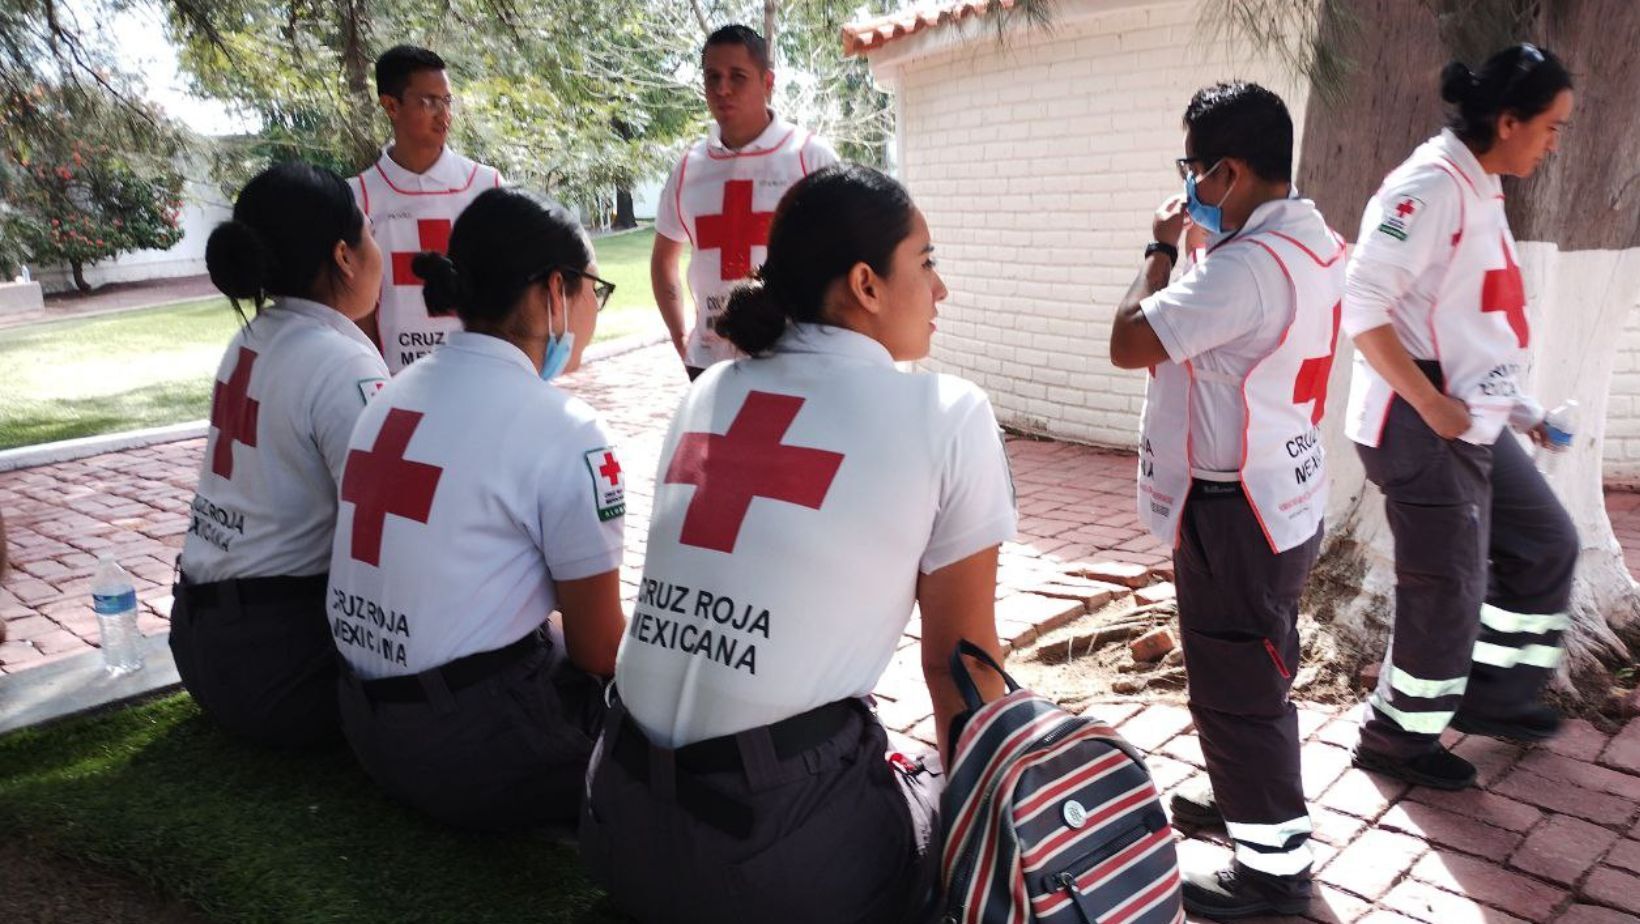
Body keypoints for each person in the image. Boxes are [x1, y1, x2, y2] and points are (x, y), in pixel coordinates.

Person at [581, 165, 1016, 923]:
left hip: (615, 816)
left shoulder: (708, 391)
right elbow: (961, 669)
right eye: (928, 262)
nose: (940, 290)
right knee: (941, 798)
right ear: (866, 284)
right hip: (776, 860)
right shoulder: (948, 414)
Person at [1106, 82, 1344, 919]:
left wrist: (1159, 245)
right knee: (1254, 668)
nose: (1192, 190)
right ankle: (1247, 804)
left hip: (1234, 509)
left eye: (1197, 173)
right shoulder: (1310, 243)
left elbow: (1127, 340)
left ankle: (1272, 871)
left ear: (1231, 172)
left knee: (1238, 686)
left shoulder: (1242, 270)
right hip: (1283, 492)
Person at [326, 187, 626, 831]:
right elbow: (600, 651)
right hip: (472, 751)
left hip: (364, 722)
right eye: (591, 290)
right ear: (554, 291)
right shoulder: (565, 428)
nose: (591, 313)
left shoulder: (391, 394)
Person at [1343, 45, 1578, 789]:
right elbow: (1362, 307)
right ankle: (1395, 737)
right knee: (1448, 588)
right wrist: (1432, 404)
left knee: (1546, 544)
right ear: (1507, 121)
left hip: (1469, 413)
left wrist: (1525, 411)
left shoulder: (1482, 186)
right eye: (1550, 126)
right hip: (1423, 418)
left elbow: (1475, 322)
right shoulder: (1431, 187)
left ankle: (1494, 694)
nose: (1553, 142)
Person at [171, 162, 390, 749]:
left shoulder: (248, 338)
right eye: (370, 231)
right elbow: (385, 536)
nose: (379, 248)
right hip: (281, 667)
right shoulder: (344, 362)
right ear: (344, 256)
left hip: (197, 644)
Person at [652, 24, 840, 381]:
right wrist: (680, 336)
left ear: (767, 82)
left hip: (792, 357)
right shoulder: (688, 168)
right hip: (709, 363)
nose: (722, 89)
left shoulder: (810, 157)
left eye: (737, 76)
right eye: (712, 77)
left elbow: (844, 254)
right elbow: (664, 258)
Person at [351, 44, 503, 373]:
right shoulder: (358, 195)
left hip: (475, 372)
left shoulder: (485, 184)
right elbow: (358, 306)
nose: (443, 113)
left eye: (446, 100)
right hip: (395, 378)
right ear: (391, 106)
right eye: (428, 102)